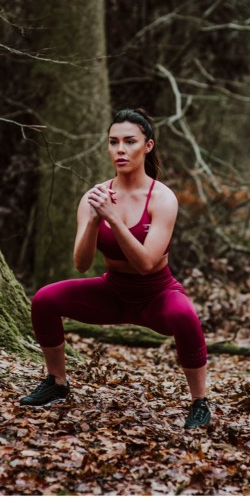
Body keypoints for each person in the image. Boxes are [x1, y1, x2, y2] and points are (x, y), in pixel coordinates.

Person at [19, 108, 211, 429]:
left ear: (147, 146)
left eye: (129, 142)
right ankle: (57, 383)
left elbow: (148, 264)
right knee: (44, 300)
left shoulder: (162, 198)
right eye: (113, 142)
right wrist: (94, 220)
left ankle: (200, 402)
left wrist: (112, 218)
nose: (120, 150)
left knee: (184, 316)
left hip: (155, 295)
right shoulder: (94, 196)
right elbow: (81, 263)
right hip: (112, 292)